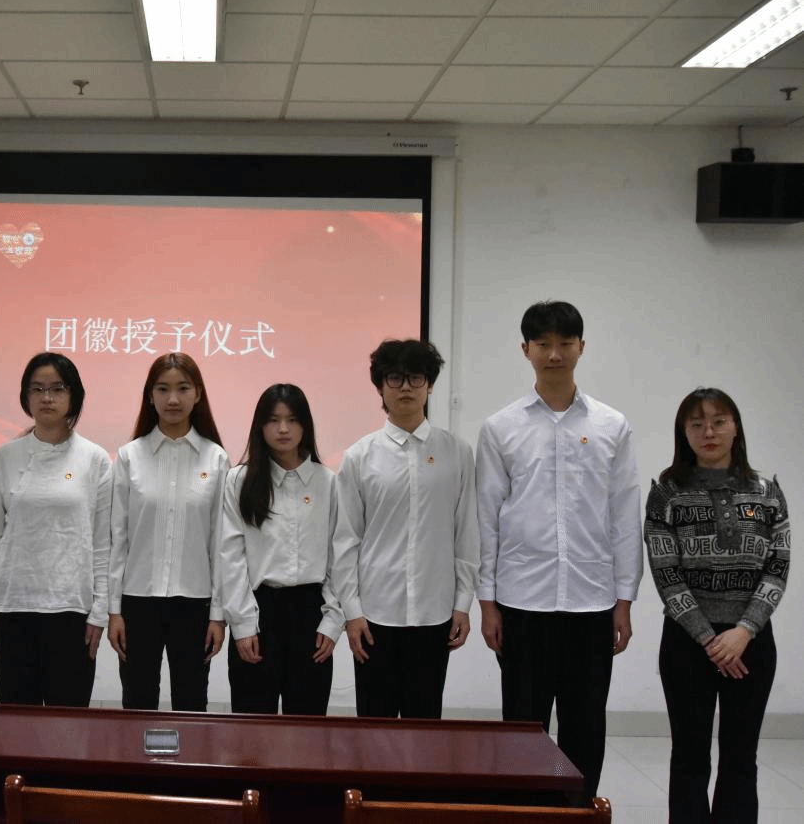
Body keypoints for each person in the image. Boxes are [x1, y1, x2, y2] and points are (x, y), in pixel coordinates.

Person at [476, 301, 641, 798]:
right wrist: (487, 603)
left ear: (581, 348)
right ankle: (525, 813)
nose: (554, 354)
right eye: (543, 344)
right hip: (522, 602)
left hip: (592, 602)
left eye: (565, 343)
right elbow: (487, 518)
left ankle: (579, 812)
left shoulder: (612, 425)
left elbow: (624, 515)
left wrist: (624, 600)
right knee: (522, 728)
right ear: (525, 349)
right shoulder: (500, 427)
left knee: (585, 725)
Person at [645, 388, 789, 824]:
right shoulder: (666, 493)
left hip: (751, 643)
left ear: (735, 427)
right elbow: (666, 574)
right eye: (697, 423)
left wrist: (743, 631)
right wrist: (710, 639)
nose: (708, 432)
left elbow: (777, 567)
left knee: (741, 756)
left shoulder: (767, 491)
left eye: (719, 421)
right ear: (684, 432)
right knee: (689, 756)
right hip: (687, 644)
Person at [333, 339, 479, 718]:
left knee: (424, 727)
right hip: (374, 615)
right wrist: (351, 611)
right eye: (395, 379)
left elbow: (466, 533)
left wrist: (463, 604)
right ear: (381, 387)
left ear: (429, 385)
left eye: (416, 378)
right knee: (374, 729)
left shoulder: (457, 453)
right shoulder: (360, 456)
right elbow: (346, 540)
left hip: (435, 612)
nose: (406, 388)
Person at [0, 352, 111, 707]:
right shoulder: (6, 456)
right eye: (37, 389)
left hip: (72, 608)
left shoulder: (95, 458)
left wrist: (100, 610)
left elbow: (102, 543)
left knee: (68, 722)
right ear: (26, 396)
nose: (47, 397)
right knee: (19, 721)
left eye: (57, 388)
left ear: (74, 395)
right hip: (13, 606)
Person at [108, 353, 230, 711]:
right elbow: (118, 539)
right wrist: (114, 611)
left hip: (194, 604)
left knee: (192, 705)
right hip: (137, 602)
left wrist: (218, 614)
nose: (172, 399)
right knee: (137, 702)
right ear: (150, 396)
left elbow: (220, 544)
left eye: (183, 388)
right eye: (162, 389)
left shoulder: (216, 459)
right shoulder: (129, 457)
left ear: (198, 394)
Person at [216, 384, 340, 715]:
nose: (283, 429)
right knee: (253, 730)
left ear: (306, 425)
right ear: (260, 426)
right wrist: (242, 625)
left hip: (311, 615)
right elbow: (231, 557)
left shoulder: (328, 482)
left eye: (292, 419)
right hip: (258, 613)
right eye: (273, 420)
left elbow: (338, 558)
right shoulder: (239, 480)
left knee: (307, 729)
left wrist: (332, 621)